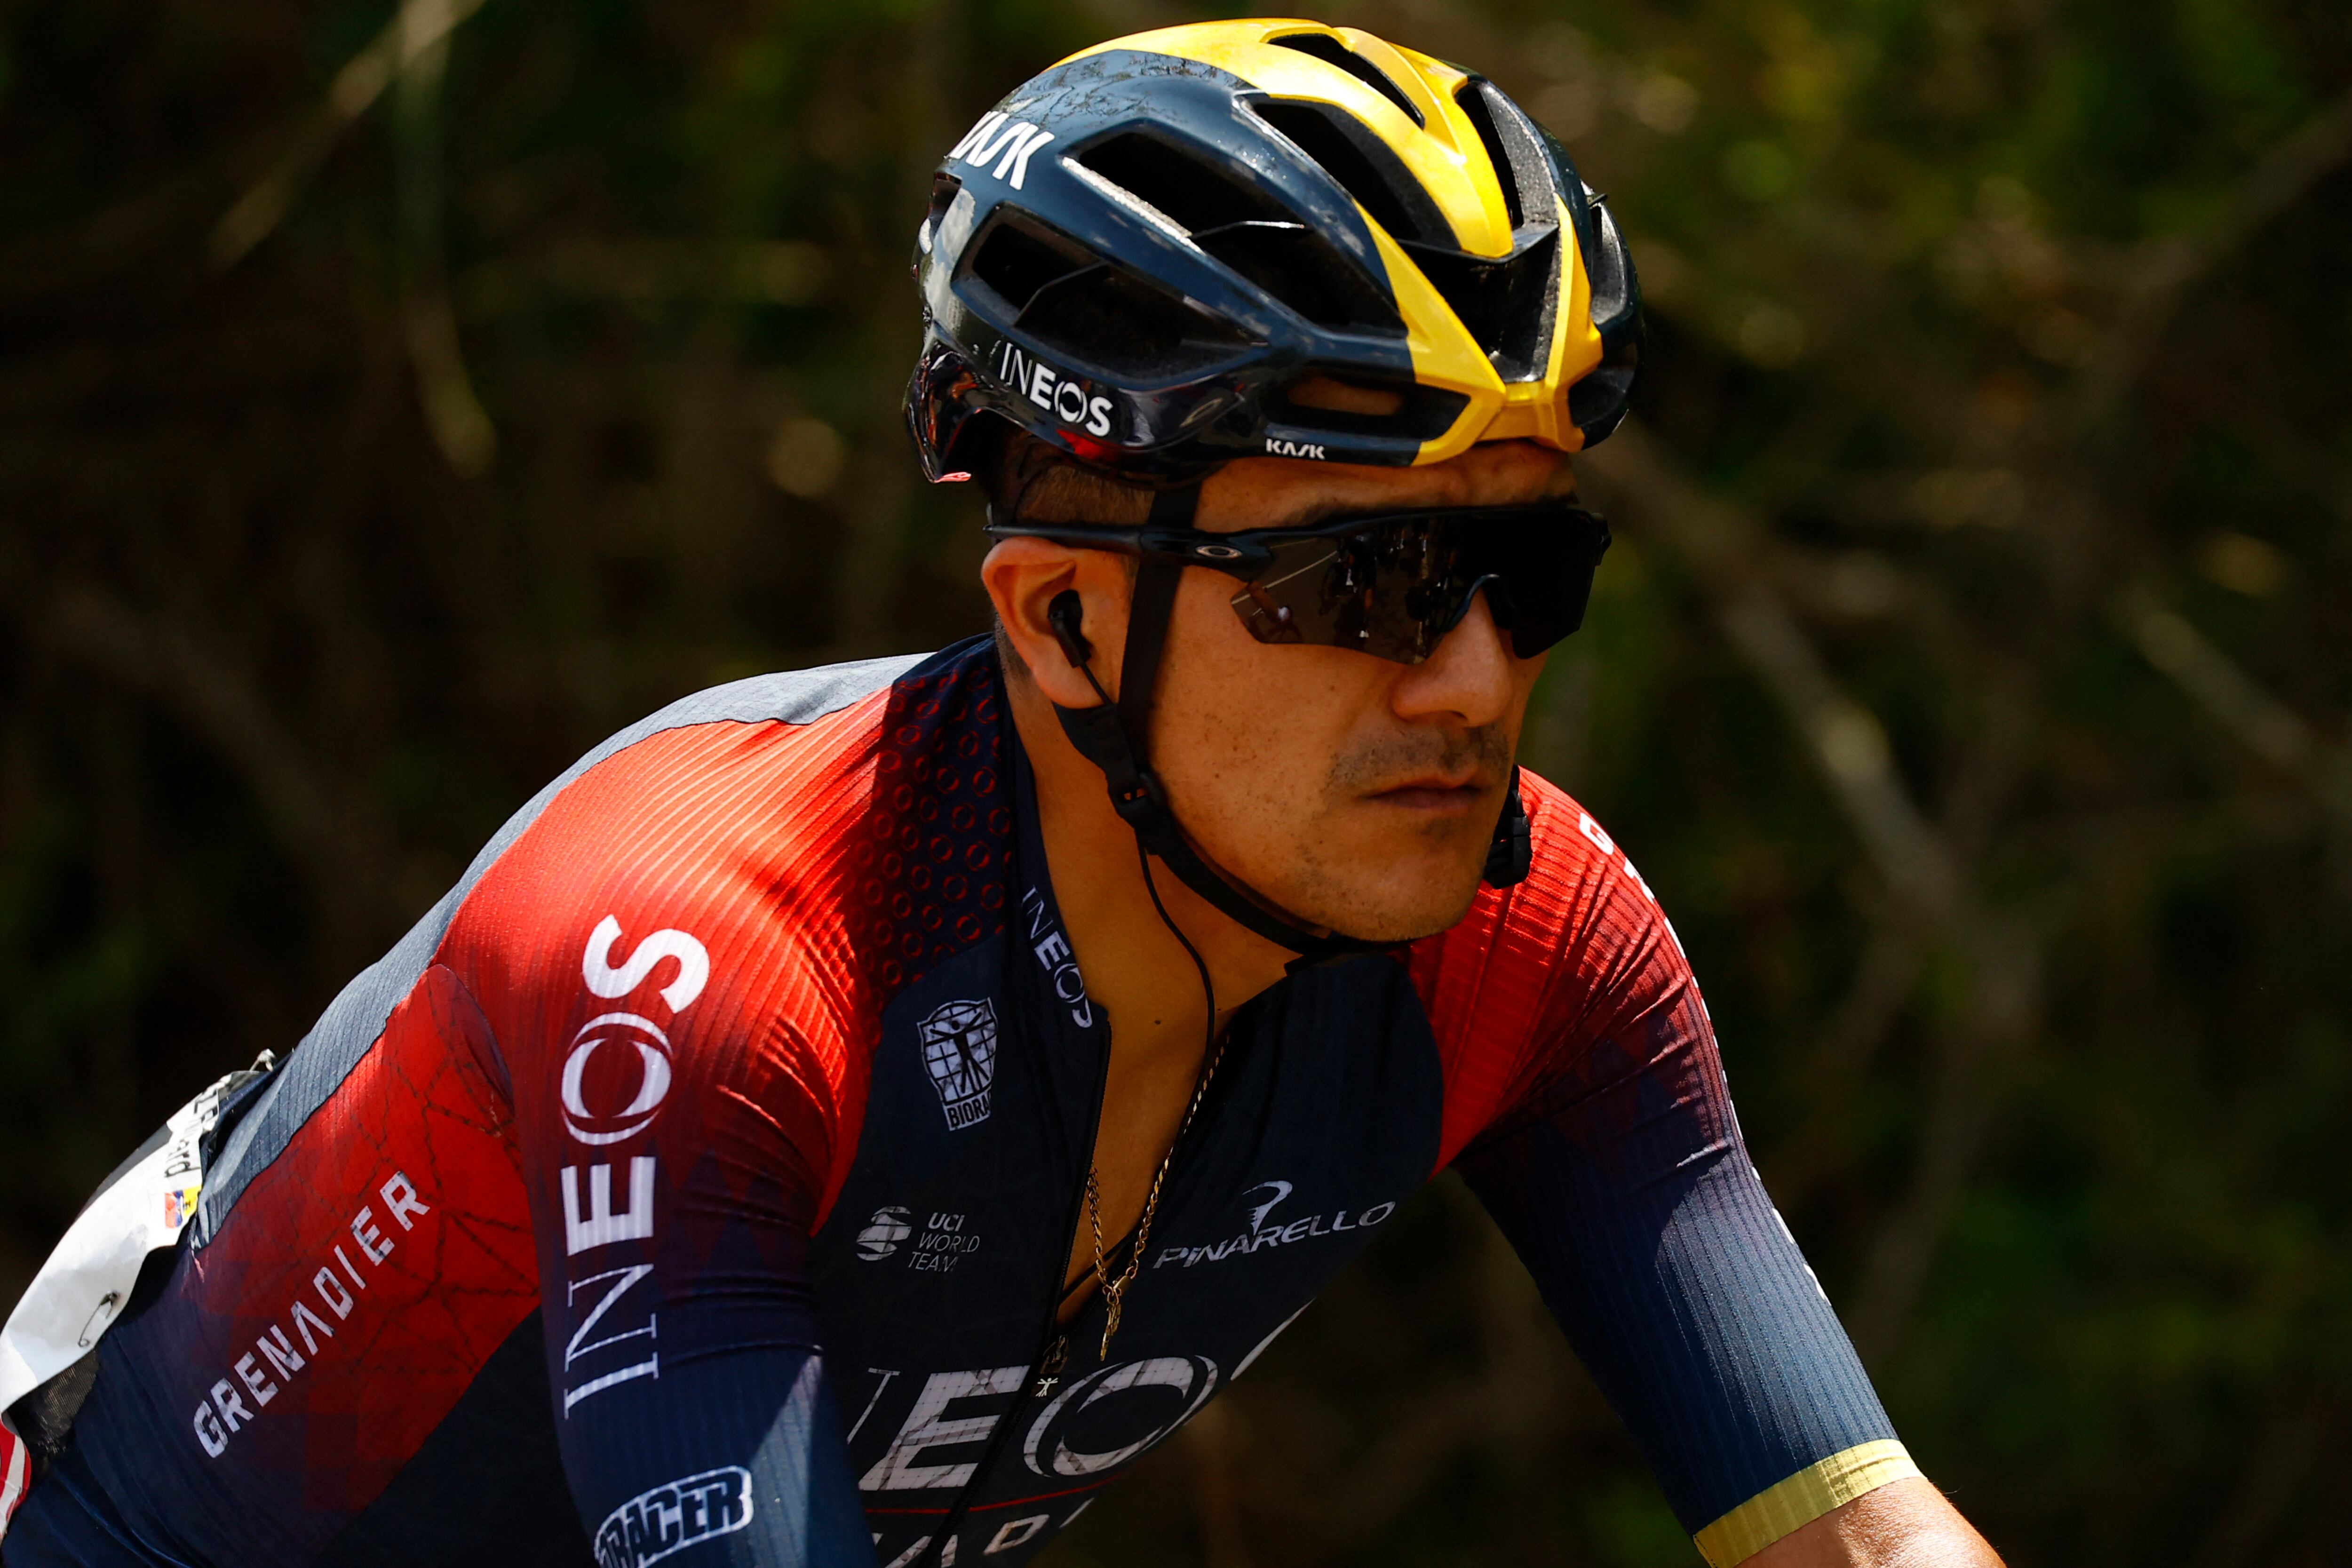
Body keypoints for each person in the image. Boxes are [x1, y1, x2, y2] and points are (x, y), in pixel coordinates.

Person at [0, 19, 2003, 1568]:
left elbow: (1853, 1528)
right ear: (1056, 623)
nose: (1475, 674)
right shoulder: (704, 954)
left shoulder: (1531, 945)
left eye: (1522, 571)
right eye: (1363, 584)